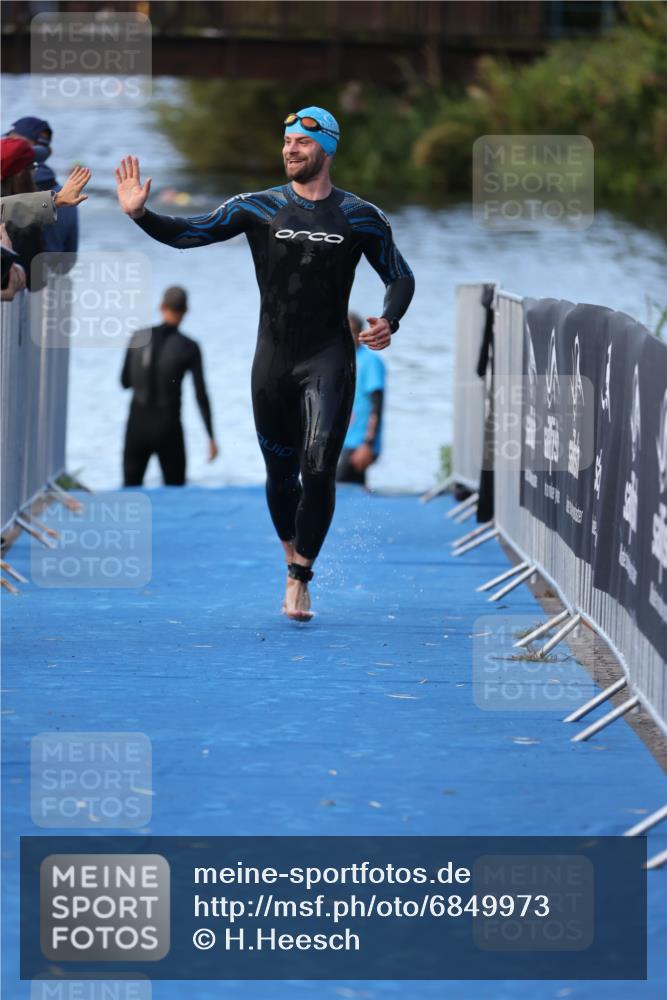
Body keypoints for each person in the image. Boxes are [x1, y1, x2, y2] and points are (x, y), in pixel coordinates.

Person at [114, 105, 414, 621]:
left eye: (301, 142)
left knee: (318, 467)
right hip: (272, 364)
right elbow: (191, 232)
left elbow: (400, 276)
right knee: (281, 475)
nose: (290, 149)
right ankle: (290, 558)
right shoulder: (258, 207)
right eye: (286, 141)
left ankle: (300, 577)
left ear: (327, 148)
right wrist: (142, 215)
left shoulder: (361, 217)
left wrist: (390, 319)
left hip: (328, 360)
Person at [121, 286, 219, 487]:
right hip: (168, 429)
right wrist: (211, 437)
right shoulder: (189, 347)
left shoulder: (138, 337)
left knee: (130, 492)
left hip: (137, 427)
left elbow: (124, 382)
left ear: (161, 306)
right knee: (176, 494)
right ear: (186, 311)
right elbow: (201, 395)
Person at [9, 117, 80, 263]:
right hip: (49, 279)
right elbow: (69, 260)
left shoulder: (7, 187)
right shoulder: (67, 194)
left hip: (11, 279)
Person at [337, 311, 386, 487]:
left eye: (351, 331)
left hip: (360, 443)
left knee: (339, 486)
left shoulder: (370, 361)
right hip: (342, 440)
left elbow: (377, 405)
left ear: (359, 334)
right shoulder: (341, 360)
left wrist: (368, 444)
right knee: (351, 492)